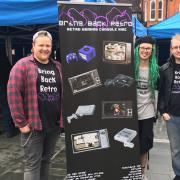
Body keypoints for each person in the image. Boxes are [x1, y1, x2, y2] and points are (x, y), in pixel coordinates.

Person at [7, 30, 63, 180]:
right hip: (33, 127)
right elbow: (13, 94)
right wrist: (21, 123)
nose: (45, 48)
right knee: (33, 164)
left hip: (54, 126)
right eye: (41, 45)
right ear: (33, 46)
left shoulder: (58, 66)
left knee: (47, 161)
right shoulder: (22, 65)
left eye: (48, 45)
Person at [134, 36, 159, 180]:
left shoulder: (156, 69)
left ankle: (142, 173)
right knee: (129, 143)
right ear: (137, 49)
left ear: (152, 51)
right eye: (142, 48)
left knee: (145, 145)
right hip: (130, 113)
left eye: (148, 48)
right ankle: (131, 169)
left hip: (148, 113)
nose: (145, 51)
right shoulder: (130, 67)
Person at [158, 34, 180, 180]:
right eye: (175, 47)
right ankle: (178, 174)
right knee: (176, 149)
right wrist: (163, 111)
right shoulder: (164, 69)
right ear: (171, 49)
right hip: (172, 117)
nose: (178, 49)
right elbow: (160, 93)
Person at [0, 54, 17, 137]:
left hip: (3, 85)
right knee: (6, 108)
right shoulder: (4, 59)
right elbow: (10, 72)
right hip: (4, 86)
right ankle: (9, 131)